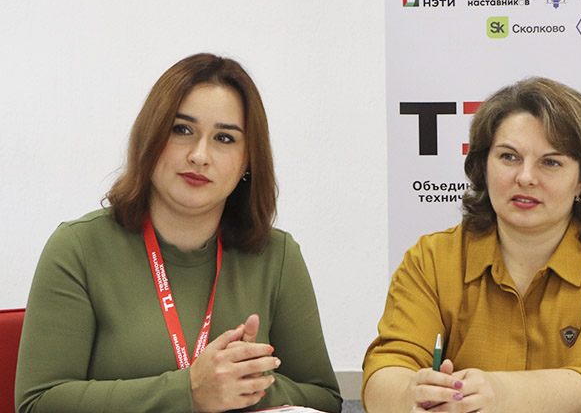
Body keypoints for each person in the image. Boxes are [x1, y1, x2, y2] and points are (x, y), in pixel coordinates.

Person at [15, 54, 342, 413]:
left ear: (248, 162)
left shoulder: (277, 256)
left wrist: (246, 384)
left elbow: (325, 398)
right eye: (182, 130)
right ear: (151, 136)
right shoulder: (78, 248)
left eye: (224, 138)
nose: (200, 156)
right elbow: (38, 403)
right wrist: (188, 391)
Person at [362, 77, 581, 413]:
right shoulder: (432, 259)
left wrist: (496, 394)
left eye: (551, 162)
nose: (525, 177)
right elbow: (385, 370)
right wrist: (411, 396)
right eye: (509, 157)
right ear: (483, 165)